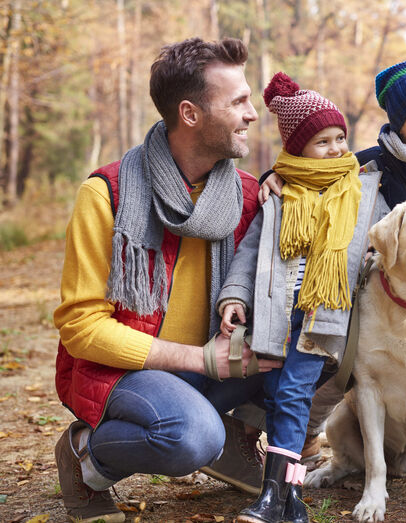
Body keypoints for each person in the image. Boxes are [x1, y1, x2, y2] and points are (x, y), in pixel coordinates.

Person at [52, 37, 282, 522]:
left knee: (309, 348)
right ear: (191, 114)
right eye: (238, 101)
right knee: (191, 437)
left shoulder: (244, 194)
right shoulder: (108, 194)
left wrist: (298, 184)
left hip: (205, 364)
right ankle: (86, 458)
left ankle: (238, 440)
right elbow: (81, 328)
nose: (252, 113)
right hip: (124, 370)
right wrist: (198, 358)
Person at [257, 60, 406, 466]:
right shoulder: (373, 165)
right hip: (383, 292)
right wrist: (272, 177)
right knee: (344, 358)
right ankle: (307, 435)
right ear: (398, 122)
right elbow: (314, 170)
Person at [218, 72, 386, 523]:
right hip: (274, 318)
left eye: (340, 138)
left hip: (322, 318)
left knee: (292, 394)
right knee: (276, 397)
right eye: (322, 142)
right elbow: (249, 252)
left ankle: (271, 498)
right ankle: (289, 500)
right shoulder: (277, 194)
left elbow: (385, 243)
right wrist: (234, 296)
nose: (335, 149)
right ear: (296, 149)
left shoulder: (363, 193)